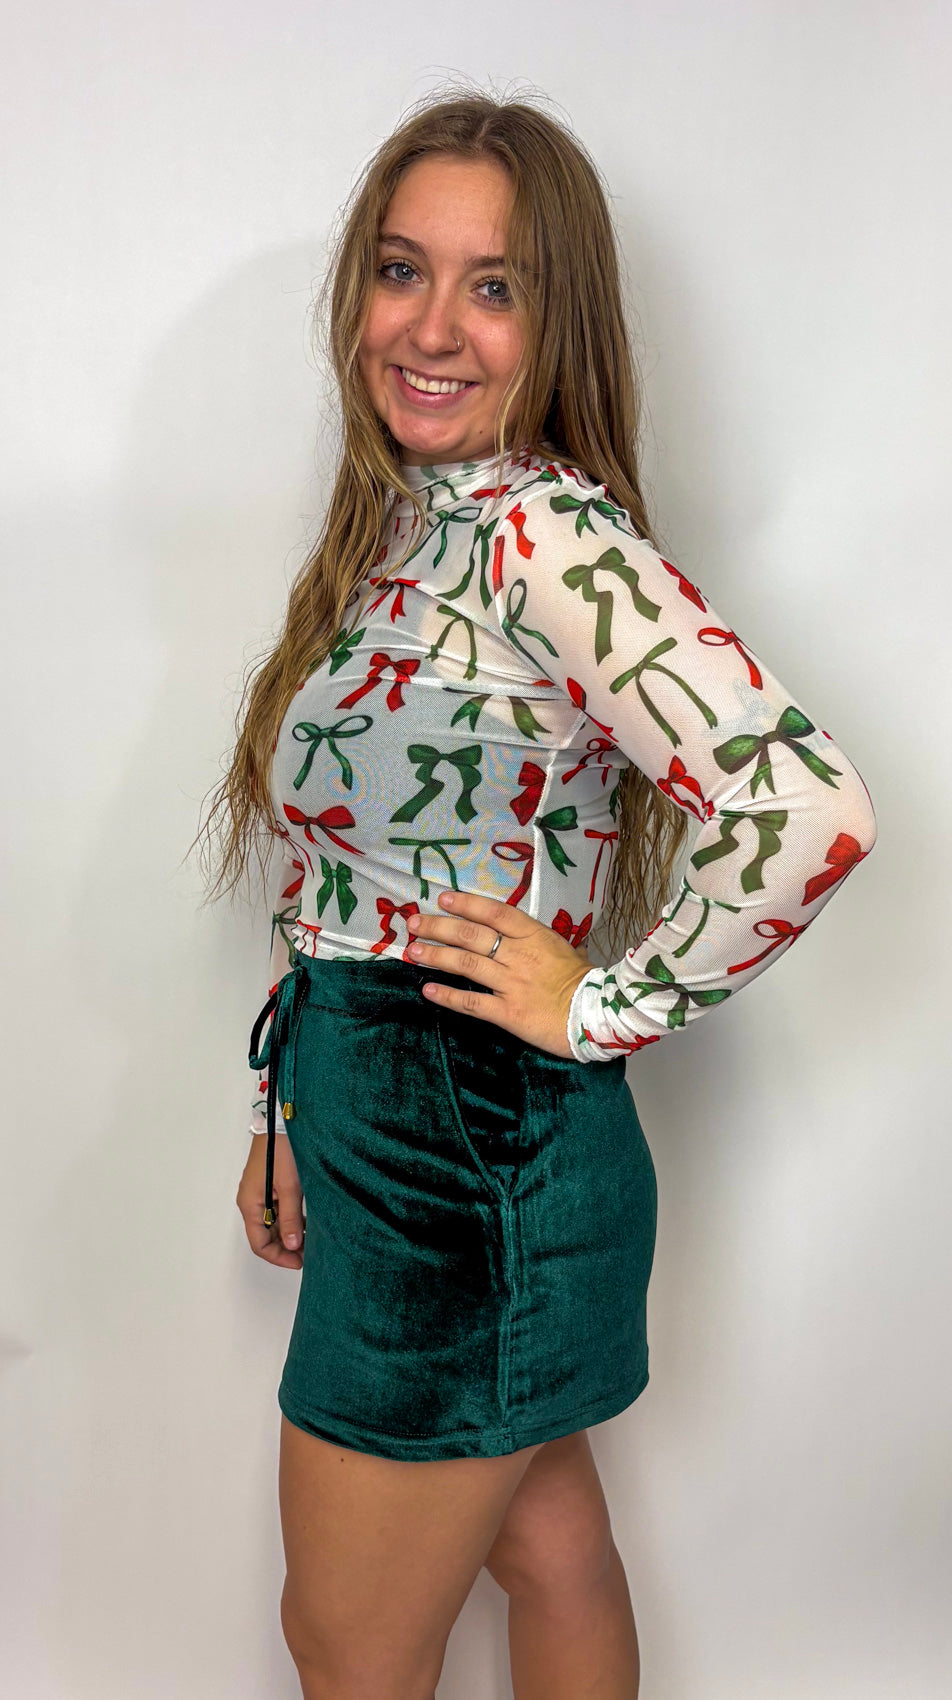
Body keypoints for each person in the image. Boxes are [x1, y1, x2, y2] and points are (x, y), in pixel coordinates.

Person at [195, 90, 877, 1700]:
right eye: (402, 270)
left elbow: (806, 808)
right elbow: (356, 873)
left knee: (347, 1642)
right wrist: (287, 1106)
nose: (432, 328)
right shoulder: (406, 526)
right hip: (408, 1127)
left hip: (464, 1156)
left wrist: (607, 1004)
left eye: (492, 286)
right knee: (546, 1547)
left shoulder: (545, 536)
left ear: (556, 319)